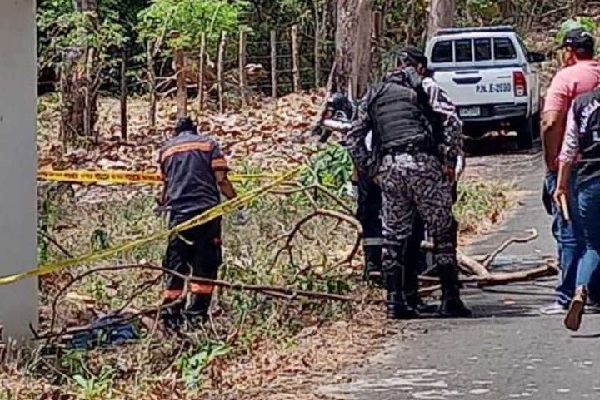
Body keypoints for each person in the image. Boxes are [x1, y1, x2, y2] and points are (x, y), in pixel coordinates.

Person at [346, 52, 471, 319]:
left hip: (390, 169)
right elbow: (452, 121)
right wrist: (449, 160)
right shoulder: (425, 86)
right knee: (442, 229)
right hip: (423, 164)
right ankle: (450, 299)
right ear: (418, 68)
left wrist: (371, 169)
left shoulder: (374, 94)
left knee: (394, 235)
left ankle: (396, 302)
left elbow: (353, 136)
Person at [157, 117, 245, 330]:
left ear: (175, 132)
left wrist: (161, 205)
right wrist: (238, 204)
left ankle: (171, 316)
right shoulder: (209, 145)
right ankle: (196, 317)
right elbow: (221, 180)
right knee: (205, 265)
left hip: (178, 216)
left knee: (176, 264)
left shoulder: (166, 150)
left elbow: (165, 186)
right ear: (195, 130)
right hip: (206, 214)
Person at [540, 27, 600, 315]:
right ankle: (595, 292)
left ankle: (567, 293)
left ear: (570, 52)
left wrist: (553, 166)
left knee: (570, 232)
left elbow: (551, 124)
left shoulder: (566, 79)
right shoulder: (597, 76)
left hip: (577, 167)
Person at [554, 84, 600, 331]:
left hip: (589, 180)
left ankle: (580, 289)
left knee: (592, 246)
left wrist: (561, 185)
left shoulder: (582, 103)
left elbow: (568, 148)